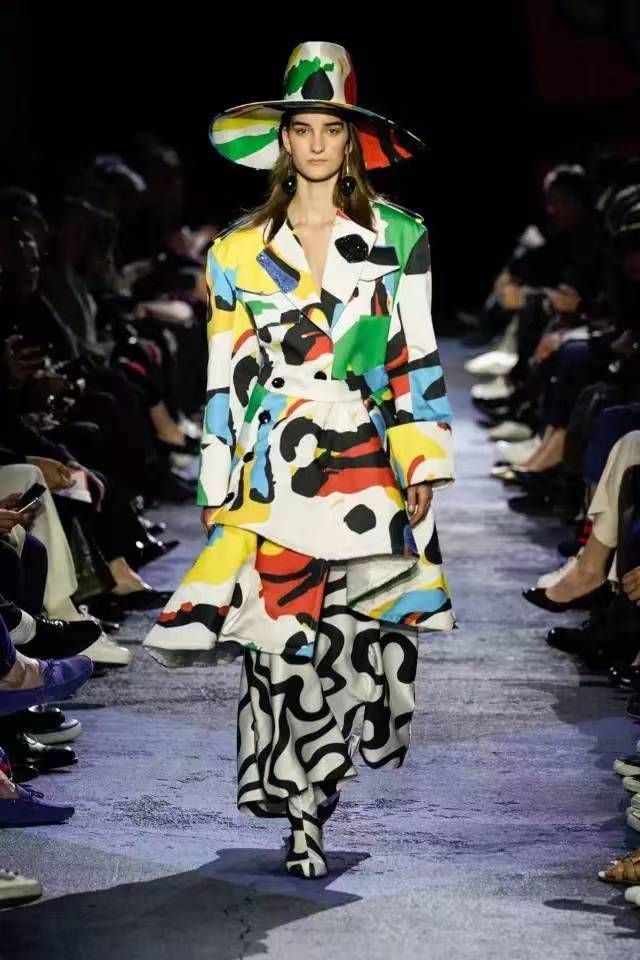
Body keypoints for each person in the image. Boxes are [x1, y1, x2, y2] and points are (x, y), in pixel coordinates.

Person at [145, 41, 455, 878]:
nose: (316, 144)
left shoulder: (399, 236)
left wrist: (421, 462)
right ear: (282, 139)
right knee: (282, 646)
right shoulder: (237, 250)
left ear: (352, 139)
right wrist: (216, 482)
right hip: (273, 470)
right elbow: (224, 375)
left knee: (356, 644)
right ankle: (301, 810)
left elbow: (415, 356)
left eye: (331, 128)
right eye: (303, 128)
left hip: (365, 463)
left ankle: (323, 781)